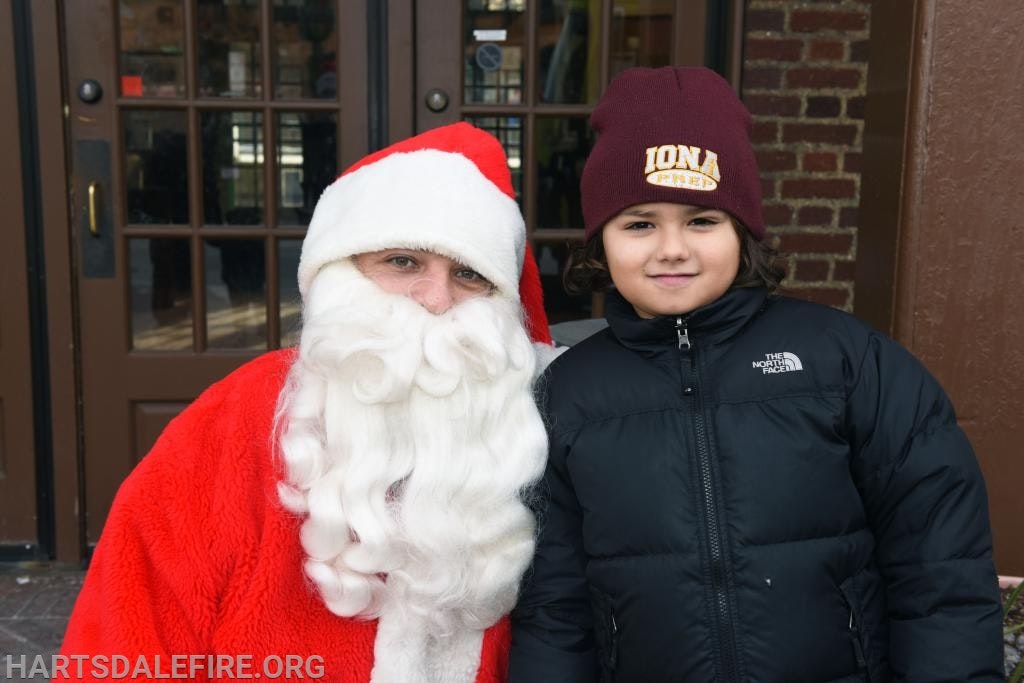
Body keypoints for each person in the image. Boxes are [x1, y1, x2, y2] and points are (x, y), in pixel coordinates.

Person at [508, 67, 1004, 682]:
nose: (672, 248)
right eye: (639, 223)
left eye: (702, 220)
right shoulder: (568, 394)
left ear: (742, 231)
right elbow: (556, 610)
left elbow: (941, 573)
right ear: (599, 241)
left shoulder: (849, 363)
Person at [59, 122, 558, 683]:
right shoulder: (233, 421)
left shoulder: (530, 429)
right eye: (403, 262)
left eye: (469, 274)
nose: (436, 301)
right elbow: (129, 631)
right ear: (341, 273)